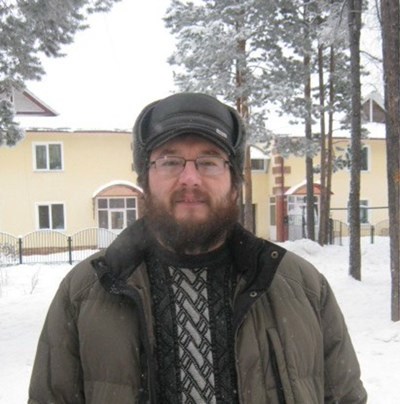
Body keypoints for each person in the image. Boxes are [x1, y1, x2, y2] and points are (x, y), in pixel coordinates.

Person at [28, 93, 367, 404]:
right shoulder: (85, 292)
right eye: (170, 161)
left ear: (234, 184)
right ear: (145, 180)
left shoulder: (302, 287)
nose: (190, 178)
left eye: (209, 161)